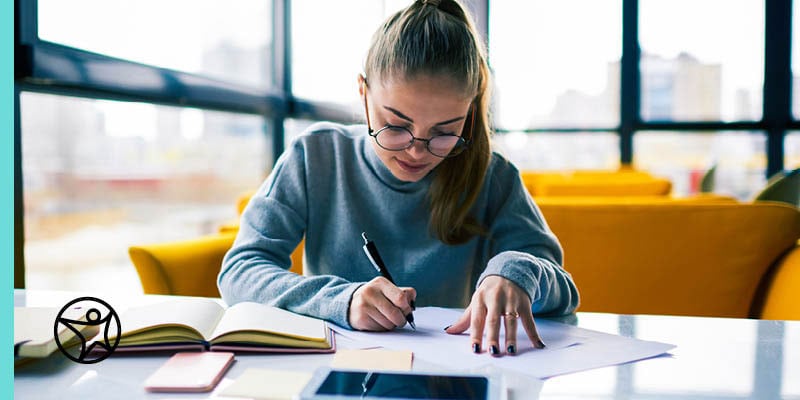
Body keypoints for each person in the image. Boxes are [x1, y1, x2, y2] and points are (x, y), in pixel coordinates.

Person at [218, 0, 579, 357]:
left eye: (444, 132)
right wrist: (342, 300)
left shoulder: (493, 176)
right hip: (336, 376)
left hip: (450, 380)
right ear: (363, 93)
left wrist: (516, 273)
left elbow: (564, 291)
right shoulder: (315, 157)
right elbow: (240, 272)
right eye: (396, 125)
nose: (417, 151)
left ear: (468, 114)